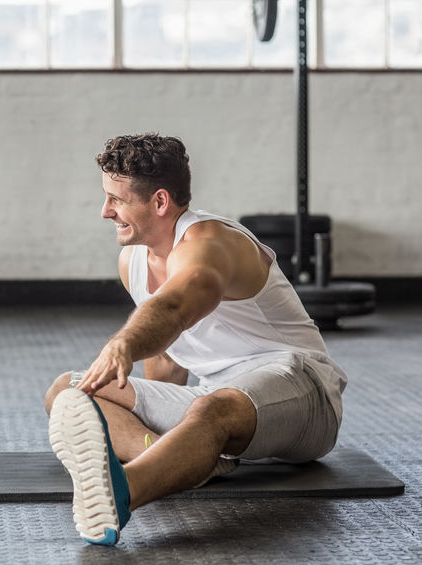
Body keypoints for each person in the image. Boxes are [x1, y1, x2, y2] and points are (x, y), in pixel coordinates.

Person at [45, 133, 346, 545]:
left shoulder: (211, 244)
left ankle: (123, 492)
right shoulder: (131, 260)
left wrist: (124, 344)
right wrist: (171, 435)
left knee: (213, 409)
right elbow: (169, 361)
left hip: (303, 391)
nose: (105, 212)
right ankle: (170, 456)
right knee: (68, 389)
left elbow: (176, 307)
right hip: (219, 396)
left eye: (117, 200)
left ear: (160, 202)